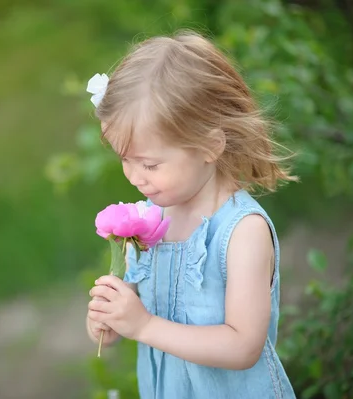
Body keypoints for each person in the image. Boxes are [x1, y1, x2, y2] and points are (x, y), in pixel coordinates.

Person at [84, 30, 298, 398]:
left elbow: (244, 346)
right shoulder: (148, 221)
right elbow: (130, 311)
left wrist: (145, 325)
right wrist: (111, 319)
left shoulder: (242, 232)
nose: (134, 177)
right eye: (125, 160)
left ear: (210, 146)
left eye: (150, 164)